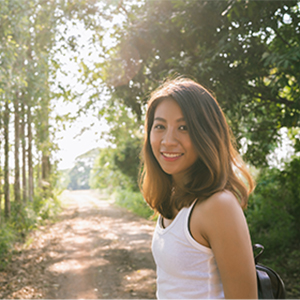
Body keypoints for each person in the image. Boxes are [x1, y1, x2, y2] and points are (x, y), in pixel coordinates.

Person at [139, 78, 258, 299]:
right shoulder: (174, 197)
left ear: (206, 134)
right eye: (160, 126)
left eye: (184, 127)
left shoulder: (218, 206)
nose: (168, 140)